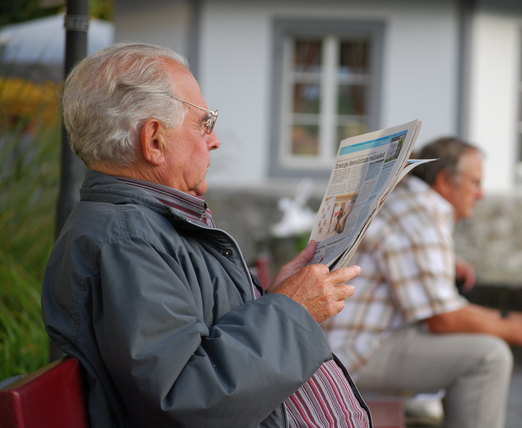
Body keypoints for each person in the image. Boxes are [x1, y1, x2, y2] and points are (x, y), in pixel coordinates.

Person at [41, 42, 371, 428]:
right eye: (204, 123)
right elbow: (187, 400)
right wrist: (293, 312)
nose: (213, 140)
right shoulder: (128, 241)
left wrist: (277, 297)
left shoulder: (148, 226)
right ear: (154, 141)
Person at [323, 137, 522, 428]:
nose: (481, 194)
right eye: (475, 183)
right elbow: (442, 319)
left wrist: (447, 267)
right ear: (444, 181)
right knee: (488, 357)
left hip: (343, 344)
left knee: (478, 345)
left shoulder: (405, 200)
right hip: (353, 354)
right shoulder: (422, 214)